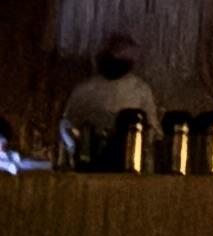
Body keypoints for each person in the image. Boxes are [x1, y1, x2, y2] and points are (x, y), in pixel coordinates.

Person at [57, 34, 162, 167]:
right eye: (114, 54)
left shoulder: (140, 90)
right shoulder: (85, 90)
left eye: (121, 57)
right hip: (90, 159)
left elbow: (151, 128)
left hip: (127, 159)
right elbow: (67, 124)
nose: (116, 60)